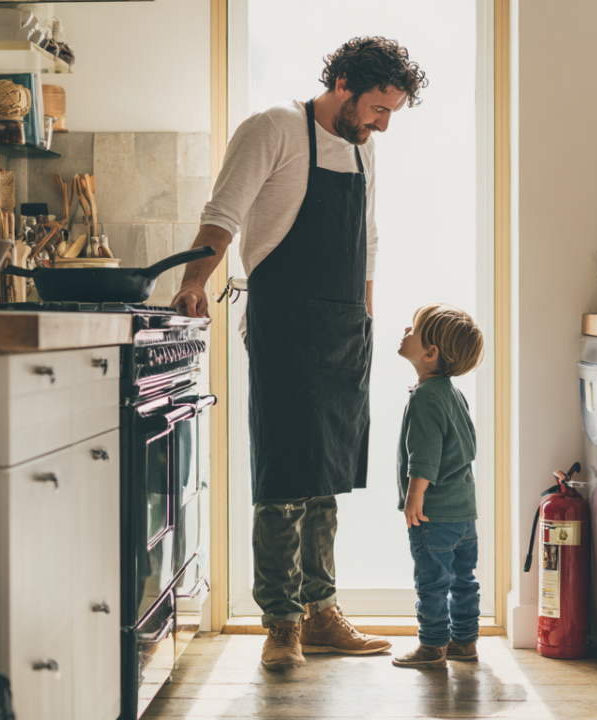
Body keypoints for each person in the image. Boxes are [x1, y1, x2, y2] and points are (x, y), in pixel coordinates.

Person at [171, 37, 428, 671]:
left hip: (345, 327)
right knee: (285, 470)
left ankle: (321, 614)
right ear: (342, 82)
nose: (383, 124)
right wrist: (193, 282)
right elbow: (224, 211)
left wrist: (365, 319)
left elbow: (367, 240)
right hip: (284, 319)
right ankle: (280, 624)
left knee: (326, 476)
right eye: (377, 108)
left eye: (392, 112)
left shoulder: (364, 151)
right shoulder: (275, 127)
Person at [392, 303, 485, 668]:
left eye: (413, 329)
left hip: (435, 515)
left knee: (432, 582)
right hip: (463, 511)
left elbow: (425, 455)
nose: (405, 330)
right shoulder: (451, 392)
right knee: (464, 580)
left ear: (431, 354)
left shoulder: (427, 397)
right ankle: (465, 642)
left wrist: (415, 498)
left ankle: (432, 646)